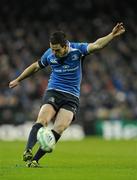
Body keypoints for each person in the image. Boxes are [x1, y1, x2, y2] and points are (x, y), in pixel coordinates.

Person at [9, 22, 125, 167]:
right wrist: (19, 79)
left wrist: (112, 35)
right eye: (52, 50)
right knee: (42, 120)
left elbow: (97, 45)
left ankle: (34, 160)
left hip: (71, 97)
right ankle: (28, 150)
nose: (54, 53)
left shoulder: (77, 49)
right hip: (54, 91)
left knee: (60, 128)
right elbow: (35, 66)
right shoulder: (50, 54)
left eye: (57, 50)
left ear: (65, 46)